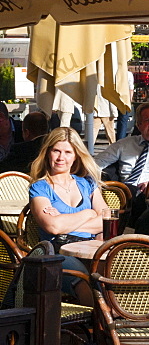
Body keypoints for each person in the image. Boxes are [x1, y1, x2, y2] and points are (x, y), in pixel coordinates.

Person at [29, 127, 105, 305]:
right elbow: (52, 227)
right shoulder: (40, 187)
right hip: (58, 251)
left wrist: (65, 222)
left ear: (76, 155)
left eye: (67, 152)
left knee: (118, 273)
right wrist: (89, 213)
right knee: (83, 281)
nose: (61, 157)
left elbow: (106, 220)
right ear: (48, 152)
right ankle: (101, 326)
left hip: (91, 249)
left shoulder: (87, 183)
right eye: (56, 150)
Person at [95, 101, 149, 194]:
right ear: (139, 125)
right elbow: (97, 162)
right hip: (125, 193)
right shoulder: (125, 144)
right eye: (147, 120)